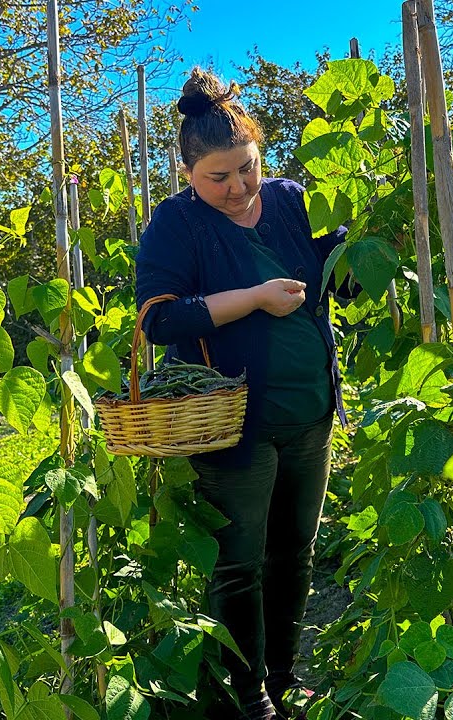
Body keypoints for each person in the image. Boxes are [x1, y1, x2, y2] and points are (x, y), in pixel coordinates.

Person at [134, 67, 349, 720]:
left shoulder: (291, 200)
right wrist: (255, 298)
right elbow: (159, 318)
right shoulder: (177, 223)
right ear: (188, 173)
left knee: (295, 555)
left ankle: (283, 680)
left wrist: (352, 251)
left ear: (261, 153)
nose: (236, 188)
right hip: (234, 426)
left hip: (310, 414)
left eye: (246, 169)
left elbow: (339, 287)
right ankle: (247, 697)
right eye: (217, 177)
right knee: (240, 566)